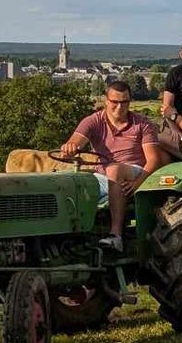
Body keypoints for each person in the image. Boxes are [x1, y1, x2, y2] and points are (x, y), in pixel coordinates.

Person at [56, 78, 166, 243]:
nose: (120, 107)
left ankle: (116, 235)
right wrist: (70, 148)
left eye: (124, 102)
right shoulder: (93, 121)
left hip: (134, 172)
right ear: (106, 101)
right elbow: (75, 141)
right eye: (115, 102)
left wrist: (138, 182)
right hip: (102, 176)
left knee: (114, 169)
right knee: (65, 182)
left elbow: (154, 159)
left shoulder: (143, 124)